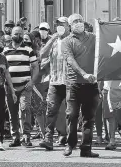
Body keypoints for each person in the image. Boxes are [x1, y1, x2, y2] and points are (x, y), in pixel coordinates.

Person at [61, 14, 99, 158]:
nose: (78, 23)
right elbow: (70, 59)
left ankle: (86, 148)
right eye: (75, 21)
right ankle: (70, 144)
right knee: (72, 115)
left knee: (89, 117)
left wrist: (103, 28)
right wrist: (83, 74)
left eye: (80, 20)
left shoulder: (93, 38)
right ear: (70, 25)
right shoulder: (66, 41)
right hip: (74, 84)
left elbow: (105, 47)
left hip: (91, 84)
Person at [4, 26, 40, 147]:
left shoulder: (28, 50)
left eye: (20, 33)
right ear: (11, 34)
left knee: (25, 110)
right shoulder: (5, 50)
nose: (18, 35)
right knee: (12, 113)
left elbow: (35, 68)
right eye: (16, 33)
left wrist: (32, 82)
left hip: (25, 86)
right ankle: (15, 137)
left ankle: (26, 137)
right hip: (10, 88)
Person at [39, 17, 70, 151]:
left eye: (62, 24)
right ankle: (48, 138)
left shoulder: (72, 40)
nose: (60, 26)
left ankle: (69, 137)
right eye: (57, 24)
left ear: (68, 26)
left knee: (70, 112)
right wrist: (51, 39)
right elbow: (42, 54)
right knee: (51, 111)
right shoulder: (53, 42)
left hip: (70, 82)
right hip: (55, 82)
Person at [0, 35, 17, 151]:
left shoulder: (3, 58)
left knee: (0, 115)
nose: (0, 44)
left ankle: (0, 141)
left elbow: (7, 75)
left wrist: (12, 91)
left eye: (1, 41)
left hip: (0, 89)